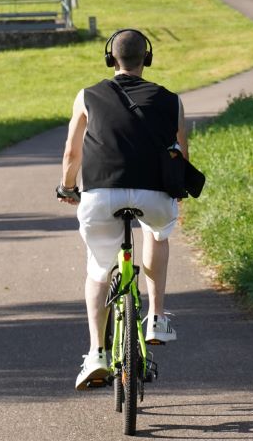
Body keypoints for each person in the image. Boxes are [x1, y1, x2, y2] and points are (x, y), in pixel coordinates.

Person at [56, 27, 187, 389]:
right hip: (153, 195)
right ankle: (156, 317)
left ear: (109, 58)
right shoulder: (171, 100)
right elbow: (181, 154)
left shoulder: (87, 96)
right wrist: (175, 191)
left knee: (98, 270)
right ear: (147, 58)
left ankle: (97, 352)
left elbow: (71, 152)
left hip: (101, 195)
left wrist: (68, 187)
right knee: (156, 234)